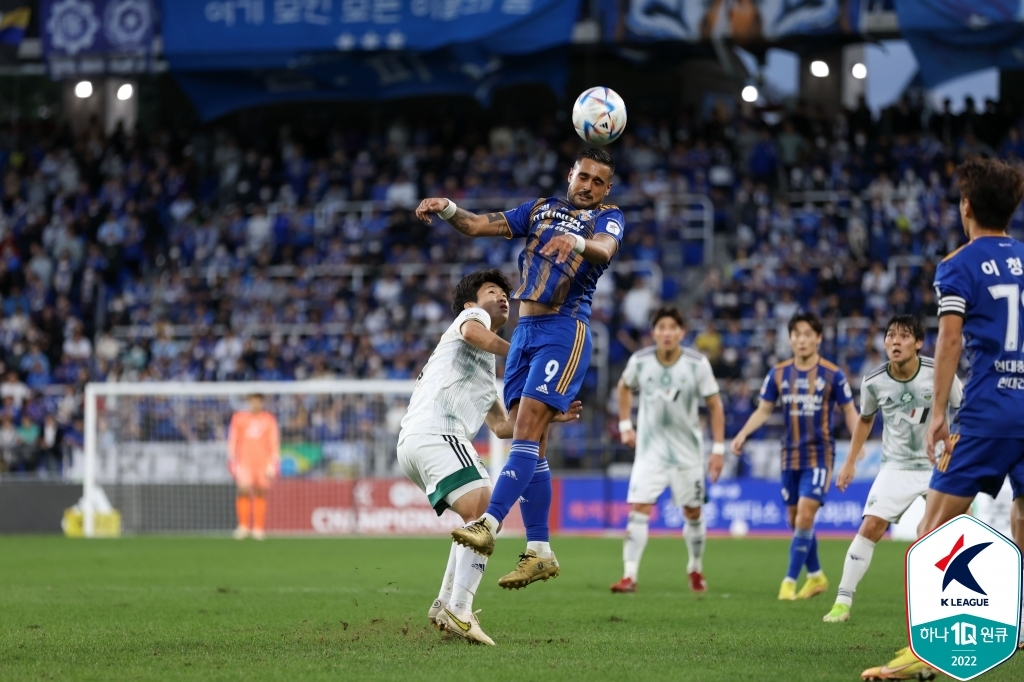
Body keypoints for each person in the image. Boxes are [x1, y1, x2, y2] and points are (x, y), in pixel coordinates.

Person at [415, 148, 624, 589]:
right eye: (583, 176)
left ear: (608, 188)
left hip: (563, 328)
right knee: (534, 440)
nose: (588, 186)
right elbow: (476, 225)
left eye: (598, 181)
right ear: (570, 175)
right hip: (524, 334)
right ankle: (540, 551)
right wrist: (446, 208)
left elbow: (604, 251)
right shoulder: (540, 210)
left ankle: (487, 524)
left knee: (526, 430)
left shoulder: (608, 218)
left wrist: (579, 243)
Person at [862, 158, 1024, 679]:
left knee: (931, 531)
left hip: (987, 414)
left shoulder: (957, 264)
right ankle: (1017, 626)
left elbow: (950, 339)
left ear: (966, 207)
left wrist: (937, 413)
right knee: (1022, 521)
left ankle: (923, 651)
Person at [397, 269, 581, 645]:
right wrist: (520, 351)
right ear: (470, 302)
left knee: (476, 518)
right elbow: (471, 331)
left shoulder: (480, 368)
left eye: (504, 293)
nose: (502, 297)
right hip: (437, 432)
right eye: (491, 290)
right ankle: (458, 611)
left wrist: (548, 414)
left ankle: (445, 605)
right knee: (485, 517)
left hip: (418, 442)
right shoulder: (470, 319)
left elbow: (502, 427)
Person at [824, 315, 963, 624]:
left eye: (903, 336)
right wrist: (850, 461)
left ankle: (955, 606)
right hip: (896, 465)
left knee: (949, 534)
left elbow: (963, 407)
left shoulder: (939, 371)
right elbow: (864, 418)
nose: (895, 342)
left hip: (937, 464)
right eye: (890, 336)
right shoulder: (873, 381)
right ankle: (842, 601)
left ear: (918, 343)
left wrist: (958, 445)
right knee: (870, 525)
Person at [731, 312, 859, 601]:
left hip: (819, 455)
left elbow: (849, 410)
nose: (801, 339)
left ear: (818, 338)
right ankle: (816, 576)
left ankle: (788, 582)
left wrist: (856, 443)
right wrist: (742, 434)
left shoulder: (832, 374)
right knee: (795, 519)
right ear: (790, 339)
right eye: (796, 334)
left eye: (807, 334)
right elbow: (763, 410)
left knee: (804, 515)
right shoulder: (778, 373)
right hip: (790, 456)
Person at [610, 306, 726, 594]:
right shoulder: (640, 360)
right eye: (661, 327)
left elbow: (715, 405)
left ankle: (695, 568)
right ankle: (629, 575)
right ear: (654, 332)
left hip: (687, 453)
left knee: (693, 512)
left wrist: (719, 449)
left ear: (682, 333)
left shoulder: (697, 363)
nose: (666, 333)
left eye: (672, 328)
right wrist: (625, 424)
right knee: (639, 508)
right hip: (650, 452)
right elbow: (623, 387)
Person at [227, 394, 280, 540]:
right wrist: (232, 458)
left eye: (258, 401)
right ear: (249, 402)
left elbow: (273, 441)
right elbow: (233, 438)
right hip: (245, 461)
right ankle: (243, 526)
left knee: (260, 492)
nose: (255, 404)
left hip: (263, 462)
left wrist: (274, 461)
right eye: (253, 401)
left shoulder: (269, 419)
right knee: (243, 489)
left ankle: (258, 527)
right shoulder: (239, 418)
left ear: (262, 403)